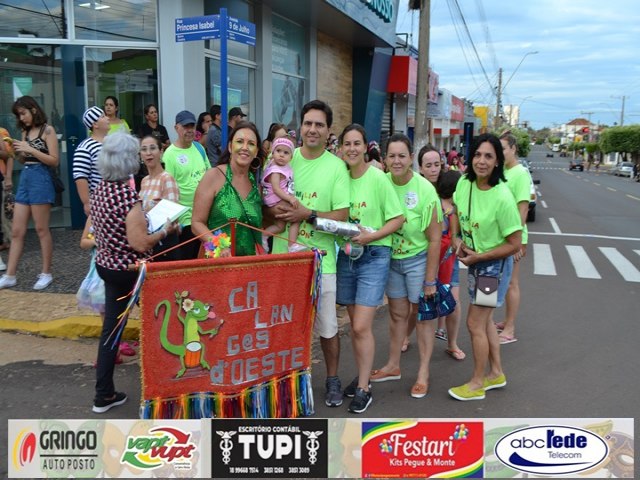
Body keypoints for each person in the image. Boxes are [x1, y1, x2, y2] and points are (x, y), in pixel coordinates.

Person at [90, 132, 179, 413]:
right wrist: (164, 231)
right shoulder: (128, 197)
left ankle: (103, 394)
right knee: (161, 323)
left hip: (107, 266)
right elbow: (140, 243)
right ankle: (167, 386)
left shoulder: (100, 189)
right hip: (131, 271)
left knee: (111, 332)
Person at [273, 99, 350, 408]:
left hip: (321, 262)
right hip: (283, 259)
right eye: (308, 123)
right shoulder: (284, 157)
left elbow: (342, 217)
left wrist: (308, 214)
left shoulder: (336, 167)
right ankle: (288, 382)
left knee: (328, 327)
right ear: (300, 127)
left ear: (329, 130)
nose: (313, 129)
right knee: (285, 326)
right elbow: (267, 198)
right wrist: (277, 211)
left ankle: (332, 379)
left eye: (319, 124)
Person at [448, 133, 522, 401]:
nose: (482, 161)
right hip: (475, 263)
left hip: (491, 268)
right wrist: (456, 238)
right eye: (478, 155)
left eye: (489, 156)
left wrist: (481, 257)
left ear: (497, 161)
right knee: (486, 320)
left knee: (475, 323)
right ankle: (496, 373)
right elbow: (455, 210)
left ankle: (478, 383)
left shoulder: (502, 197)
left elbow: (515, 244)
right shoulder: (464, 183)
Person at [337, 124, 404, 413]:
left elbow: (398, 219)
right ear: (340, 148)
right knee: (356, 328)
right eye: (347, 144)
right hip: (346, 255)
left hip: (374, 255)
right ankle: (362, 376)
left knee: (361, 326)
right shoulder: (339, 177)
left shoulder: (378, 178)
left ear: (365, 147)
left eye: (357, 143)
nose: (352, 148)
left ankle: (364, 387)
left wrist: (371, 236)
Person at [370, 133, 441, 399]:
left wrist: (430, 280)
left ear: (411, 158)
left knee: (422, 317)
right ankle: (393, 365)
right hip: (391, 260)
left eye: (402, 156)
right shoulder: (381, 182)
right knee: (398, 314)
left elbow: (435, 239)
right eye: (392, 156)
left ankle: (423, 373)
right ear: (385, 159)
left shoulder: (425, 190)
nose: (397, 161)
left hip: (418, 261)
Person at [0, 96, 59, 291]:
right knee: (17, 231)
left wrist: (30, 149)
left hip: (41, 178)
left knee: (42, 229)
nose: (21, 118)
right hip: (26, 177)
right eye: (19, 115)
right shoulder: (25, 131)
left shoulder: (47, 130)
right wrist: (15, 152)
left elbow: (54, 160)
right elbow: (24, 160)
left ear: (33, 110)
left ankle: (46, 272)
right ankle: (10, 275)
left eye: (23, 113)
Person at [416, 145, 465, 360]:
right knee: (414, 304)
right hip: (420, 255)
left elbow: (462, 219)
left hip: (447, 257)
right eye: (428, 165)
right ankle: (404, 338)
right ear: (420, 168)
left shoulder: (449, 189)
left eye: (437, 164)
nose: (433, 169)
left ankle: (452, 344)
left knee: (454, 302)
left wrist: (457, 236)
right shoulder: (415, 189)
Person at [191, 121, 264, 257]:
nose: (245, 147)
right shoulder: (213, 176)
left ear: (256, 152)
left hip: (248, 265)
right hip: (218, 264)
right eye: (240, 142)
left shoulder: (256, 186)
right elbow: (196, 223)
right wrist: (218, 245)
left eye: (251, 144)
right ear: (230, 147)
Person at [492, 131, 531, 344]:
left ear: (514, 149)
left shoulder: (520, 174)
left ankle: (510, 327)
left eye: (503, 149)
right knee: (497, 279)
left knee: (511, 283)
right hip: (497, 238)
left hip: (512, 239)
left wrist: (517, 243)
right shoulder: (502, 171)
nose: (500, 153)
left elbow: (522, 210)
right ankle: (503, 320)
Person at [163, 110, 211, 260]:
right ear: (176, 128)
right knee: (189, 261)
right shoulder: (169, 155)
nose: (190, 130)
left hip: (205, 217)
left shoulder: (199, 148)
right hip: (186, 221)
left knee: (205, 260)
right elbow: (167, 190)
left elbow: (209, 175)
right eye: (185, 126)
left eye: (192, 126)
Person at [139, 135, 180, 261]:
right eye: (144, 149)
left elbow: (173, 218)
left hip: (164, 245)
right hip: (149, 242)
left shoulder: (167, 178)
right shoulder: (144, 181)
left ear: (161, 151)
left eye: (152, 148)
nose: (148, 153)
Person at [260, 136, 303, 252]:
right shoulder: (275, 170)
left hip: (277, 199)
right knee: (297, 215)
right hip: (276, 199)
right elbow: (276, 189)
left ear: (291, 157)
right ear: (273, 152)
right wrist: (290, 198)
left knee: (281, 227)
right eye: (278, 151)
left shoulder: (283, 167)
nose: (281, 155)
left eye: (286, 153)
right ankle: (292, 245)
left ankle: (264, 234)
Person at [73, 106, 109, 216]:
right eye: (103, 116)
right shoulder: (85, 147)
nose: (107, 118)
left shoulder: (112, 143)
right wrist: (87, 203)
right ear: (95, 124)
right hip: (100, 201)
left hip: (117, 197)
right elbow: (80, 176)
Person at [0, 128, 14, 257]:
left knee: (5, 213)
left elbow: (9, 155)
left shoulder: (2, 132)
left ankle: (10, 241)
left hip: (2, 177)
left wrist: (8, 177)